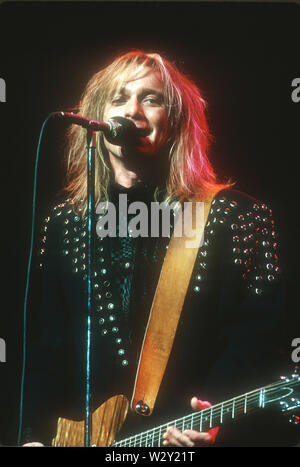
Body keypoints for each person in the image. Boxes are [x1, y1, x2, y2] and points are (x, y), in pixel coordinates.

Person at [19, 50, 292, 448]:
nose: (132, 110)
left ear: (177, 120)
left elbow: (259, 338)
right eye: (118, 98)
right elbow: (44, 347)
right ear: (96, 118)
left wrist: (213, 418)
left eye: (151, 98)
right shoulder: (64, 223)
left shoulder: (235, 216)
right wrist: (31, 437)